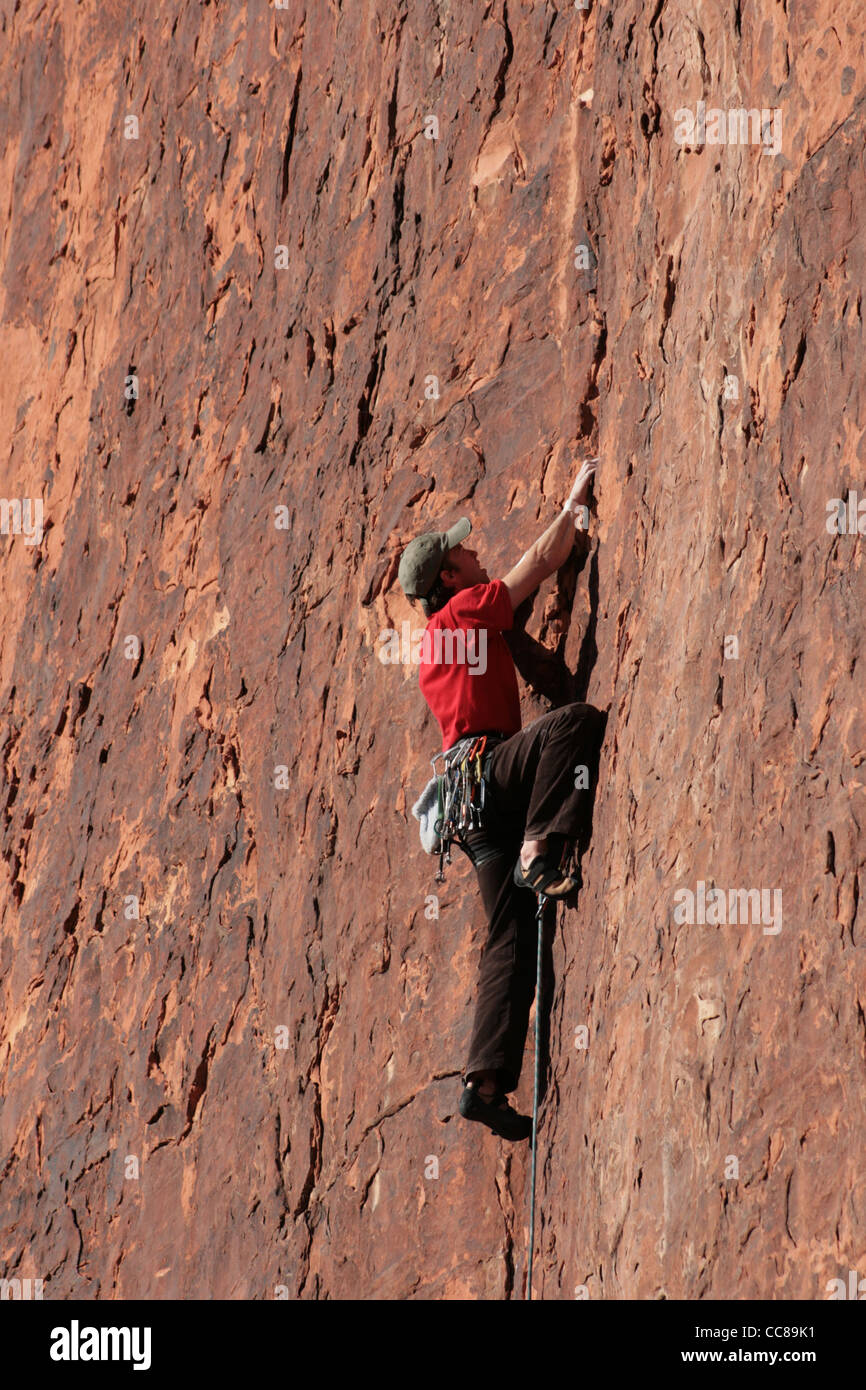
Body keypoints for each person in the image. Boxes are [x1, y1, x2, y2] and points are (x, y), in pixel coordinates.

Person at [397, 460, 605, 1140]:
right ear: (448, 577)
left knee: (509, 938)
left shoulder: (436, 641)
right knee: (573, 725)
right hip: (494, 778)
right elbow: (539, 561)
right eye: (463, 550)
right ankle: (545, 843)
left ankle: (483, 1082)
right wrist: (575, 503)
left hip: (471, 806)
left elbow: (512, 624)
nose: (474, 547)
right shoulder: (466, 608)